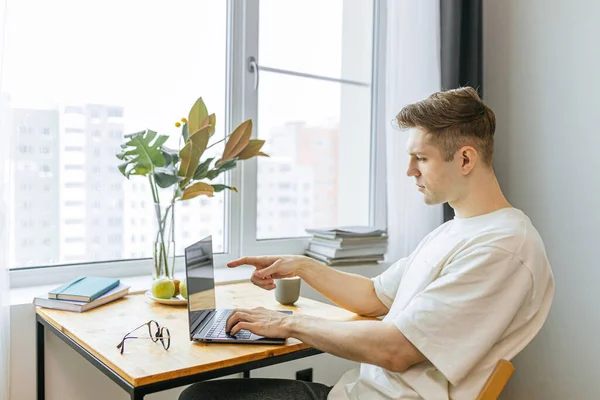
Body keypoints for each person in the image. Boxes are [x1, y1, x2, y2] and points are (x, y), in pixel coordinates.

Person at [179, 87, 555, 400]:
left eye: (420, 158)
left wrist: (287, 324)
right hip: (356, 392)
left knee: (198, 398)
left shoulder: (503, 248)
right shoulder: (456, 230)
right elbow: (374, 296)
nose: (410, 171)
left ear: (466, 159)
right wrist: (303, 266)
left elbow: (395, 349)